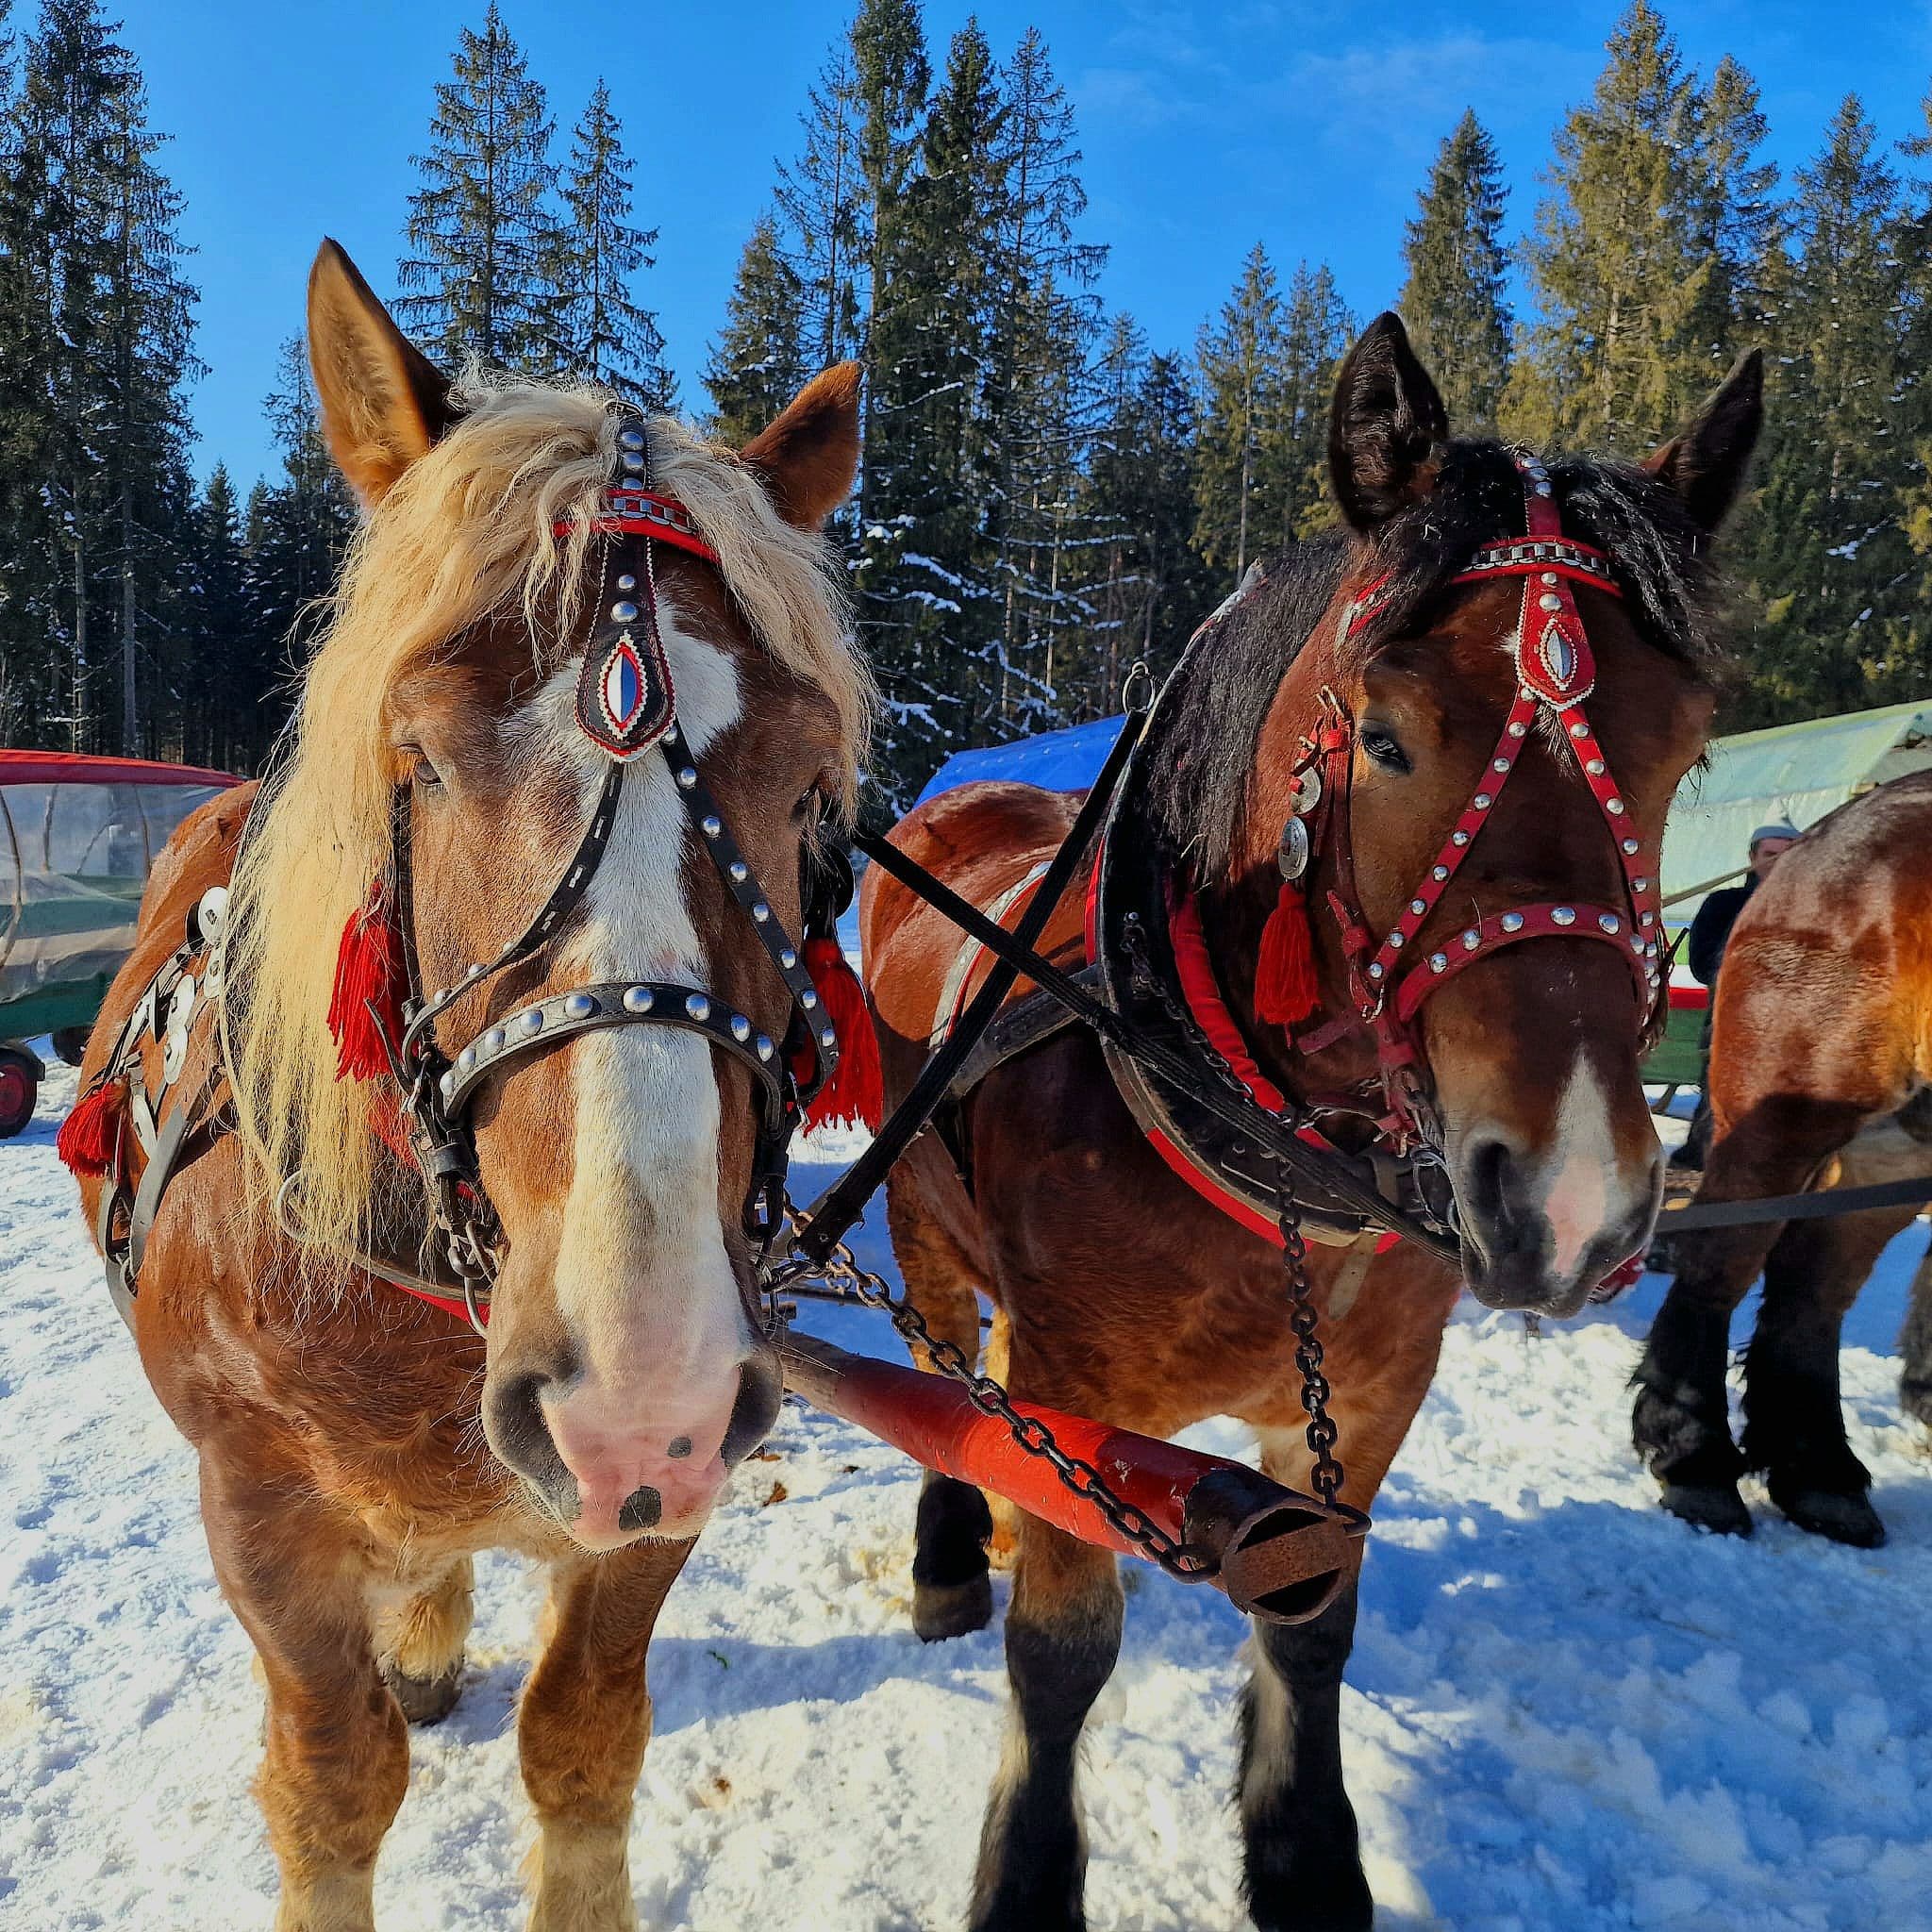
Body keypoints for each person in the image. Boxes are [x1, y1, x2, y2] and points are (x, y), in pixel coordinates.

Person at [1669, 821, 1800, 1171]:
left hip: (1796, 1042)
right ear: (1752, 857)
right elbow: (1700, 967)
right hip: (1730, 1035)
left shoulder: (1815, 909)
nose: (1778, 862)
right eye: (1770, 854)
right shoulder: (1724, 904)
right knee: (1715, 1133)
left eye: (1789, 855)